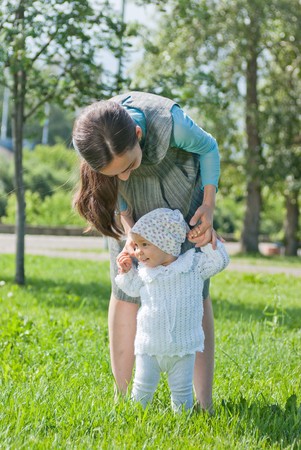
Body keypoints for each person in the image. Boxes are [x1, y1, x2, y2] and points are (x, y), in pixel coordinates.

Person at [72, 91, 221, 412]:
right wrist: (130, 233)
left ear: (138, 135)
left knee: (194, 289)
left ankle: (204, 403)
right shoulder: (99, 140)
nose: (124, 175)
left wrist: (208, 206)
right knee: (124, 290)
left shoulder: (173, 125)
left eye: (129, 165)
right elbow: (118, 192)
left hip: (181, 197)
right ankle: (124, 399)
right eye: (115, 173)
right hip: (133, 215)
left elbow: (209, 148)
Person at [115, 208, 229, 412]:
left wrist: (208, 242)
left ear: (165, 243)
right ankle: (133, 419)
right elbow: (131, 289)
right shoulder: (145, 272)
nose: (138, 251)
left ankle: (183, 424)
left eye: (144, 245)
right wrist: (126, 272)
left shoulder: (193, 266)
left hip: (183, 349)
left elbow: (220, 261)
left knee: (181, 391)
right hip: (149, 347)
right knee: (142, 388)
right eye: (137, 245)